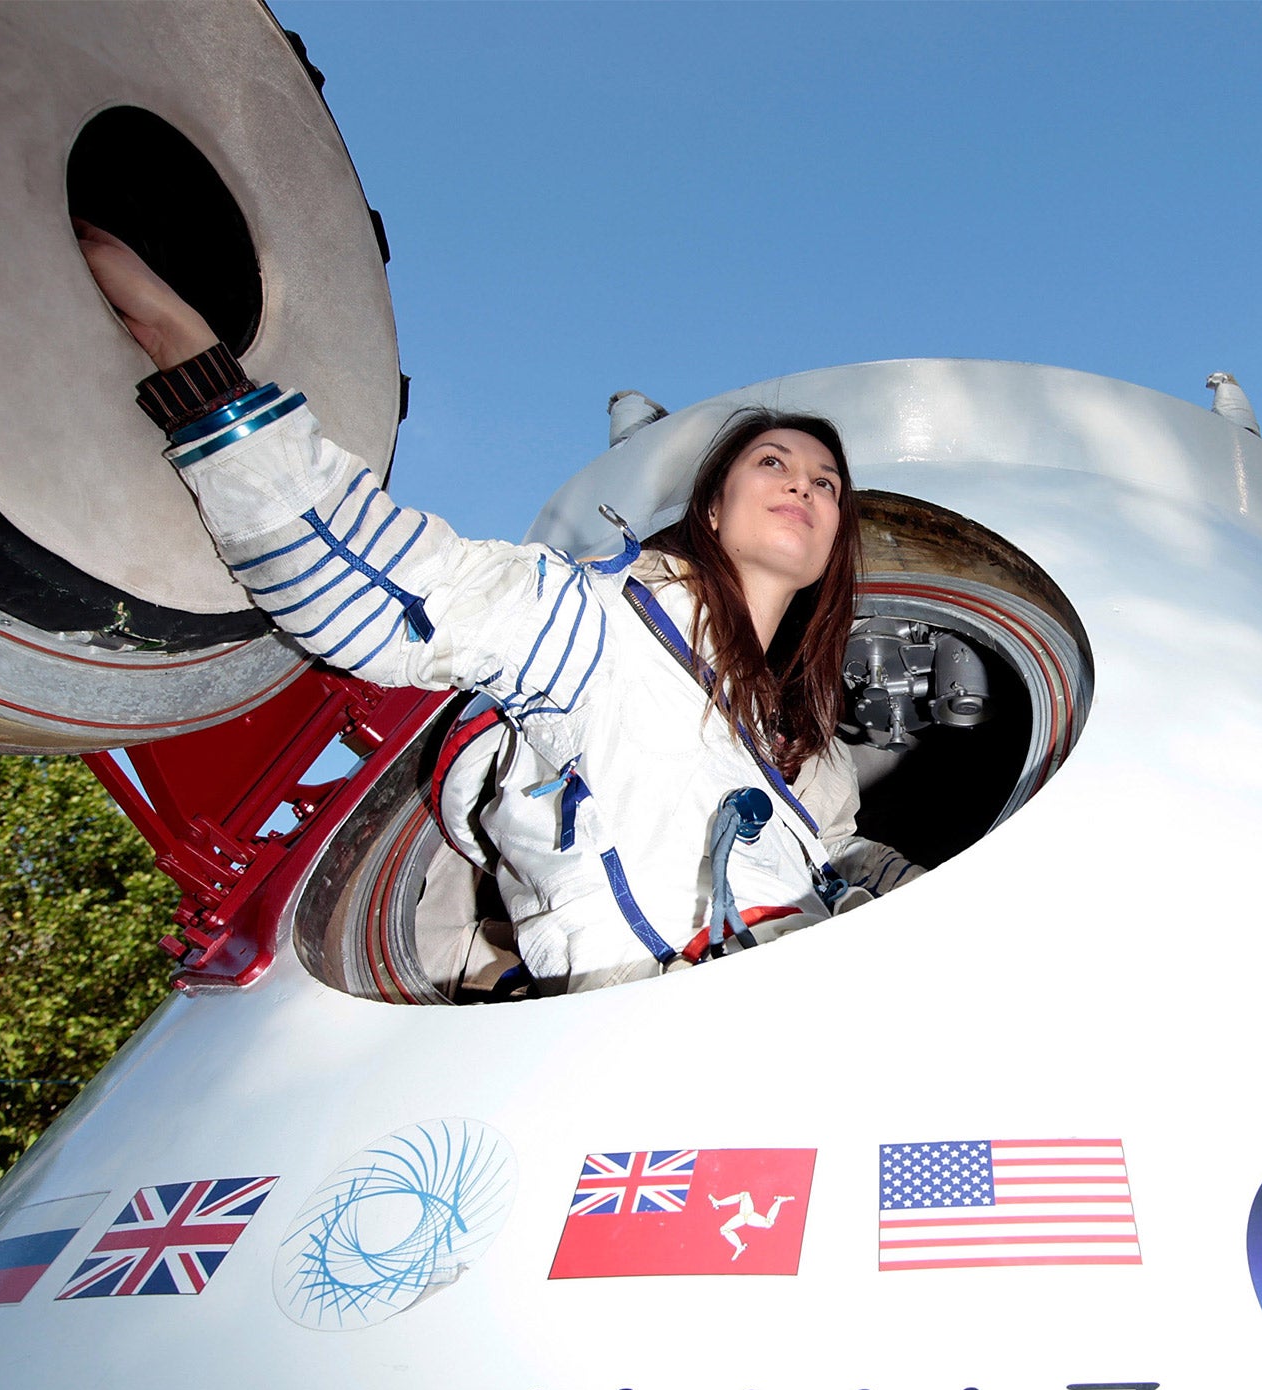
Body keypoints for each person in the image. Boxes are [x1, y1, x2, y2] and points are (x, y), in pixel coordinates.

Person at [76, 223, 920, 994]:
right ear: (709, 509)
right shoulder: (595, 624)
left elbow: (835, 851)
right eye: (773, 464)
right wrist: (190, 358)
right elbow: (354, 567)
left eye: (825, 484)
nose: (802, 487)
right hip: (667, 1020)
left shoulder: (807, 753)